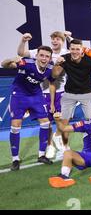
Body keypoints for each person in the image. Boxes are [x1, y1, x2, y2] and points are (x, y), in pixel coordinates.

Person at [1, 47, 56, 170]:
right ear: (36, 56)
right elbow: (3, 64)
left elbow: (52, 82)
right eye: (41, 55)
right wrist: (11, 59)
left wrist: (52, 102)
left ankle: (41, 155)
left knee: (46, 123)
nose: (44, 58)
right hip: (19, 94)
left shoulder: (50, 69)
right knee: (15, 126)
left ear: (50, 58)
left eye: (47, 56)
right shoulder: (26, 63)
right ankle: (15, 159)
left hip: (35, 95)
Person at [16, 31, 68, 159]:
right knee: (47, 122)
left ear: (63, 41)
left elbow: (80, 52)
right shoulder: (42, 53)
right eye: (53, 39)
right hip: (43, 92)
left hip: (61, 91)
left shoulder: (66, 53)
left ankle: (57, 138)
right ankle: (49, 145)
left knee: (62, 120)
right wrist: (23, 41)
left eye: (58, 39)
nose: (55, 41)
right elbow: (21, 53)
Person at [52, 39, 91, 158]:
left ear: (82, 50)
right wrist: (57, 63)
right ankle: (65, 149)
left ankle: (89, 147)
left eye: (78, 49)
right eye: (72, 49)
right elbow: (55, 75)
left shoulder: (89, 59)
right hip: (69, 94)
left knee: (90, 122)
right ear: (69, 49)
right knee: (64, 122)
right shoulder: (64, 58)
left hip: (87, 93)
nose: (75, 51)